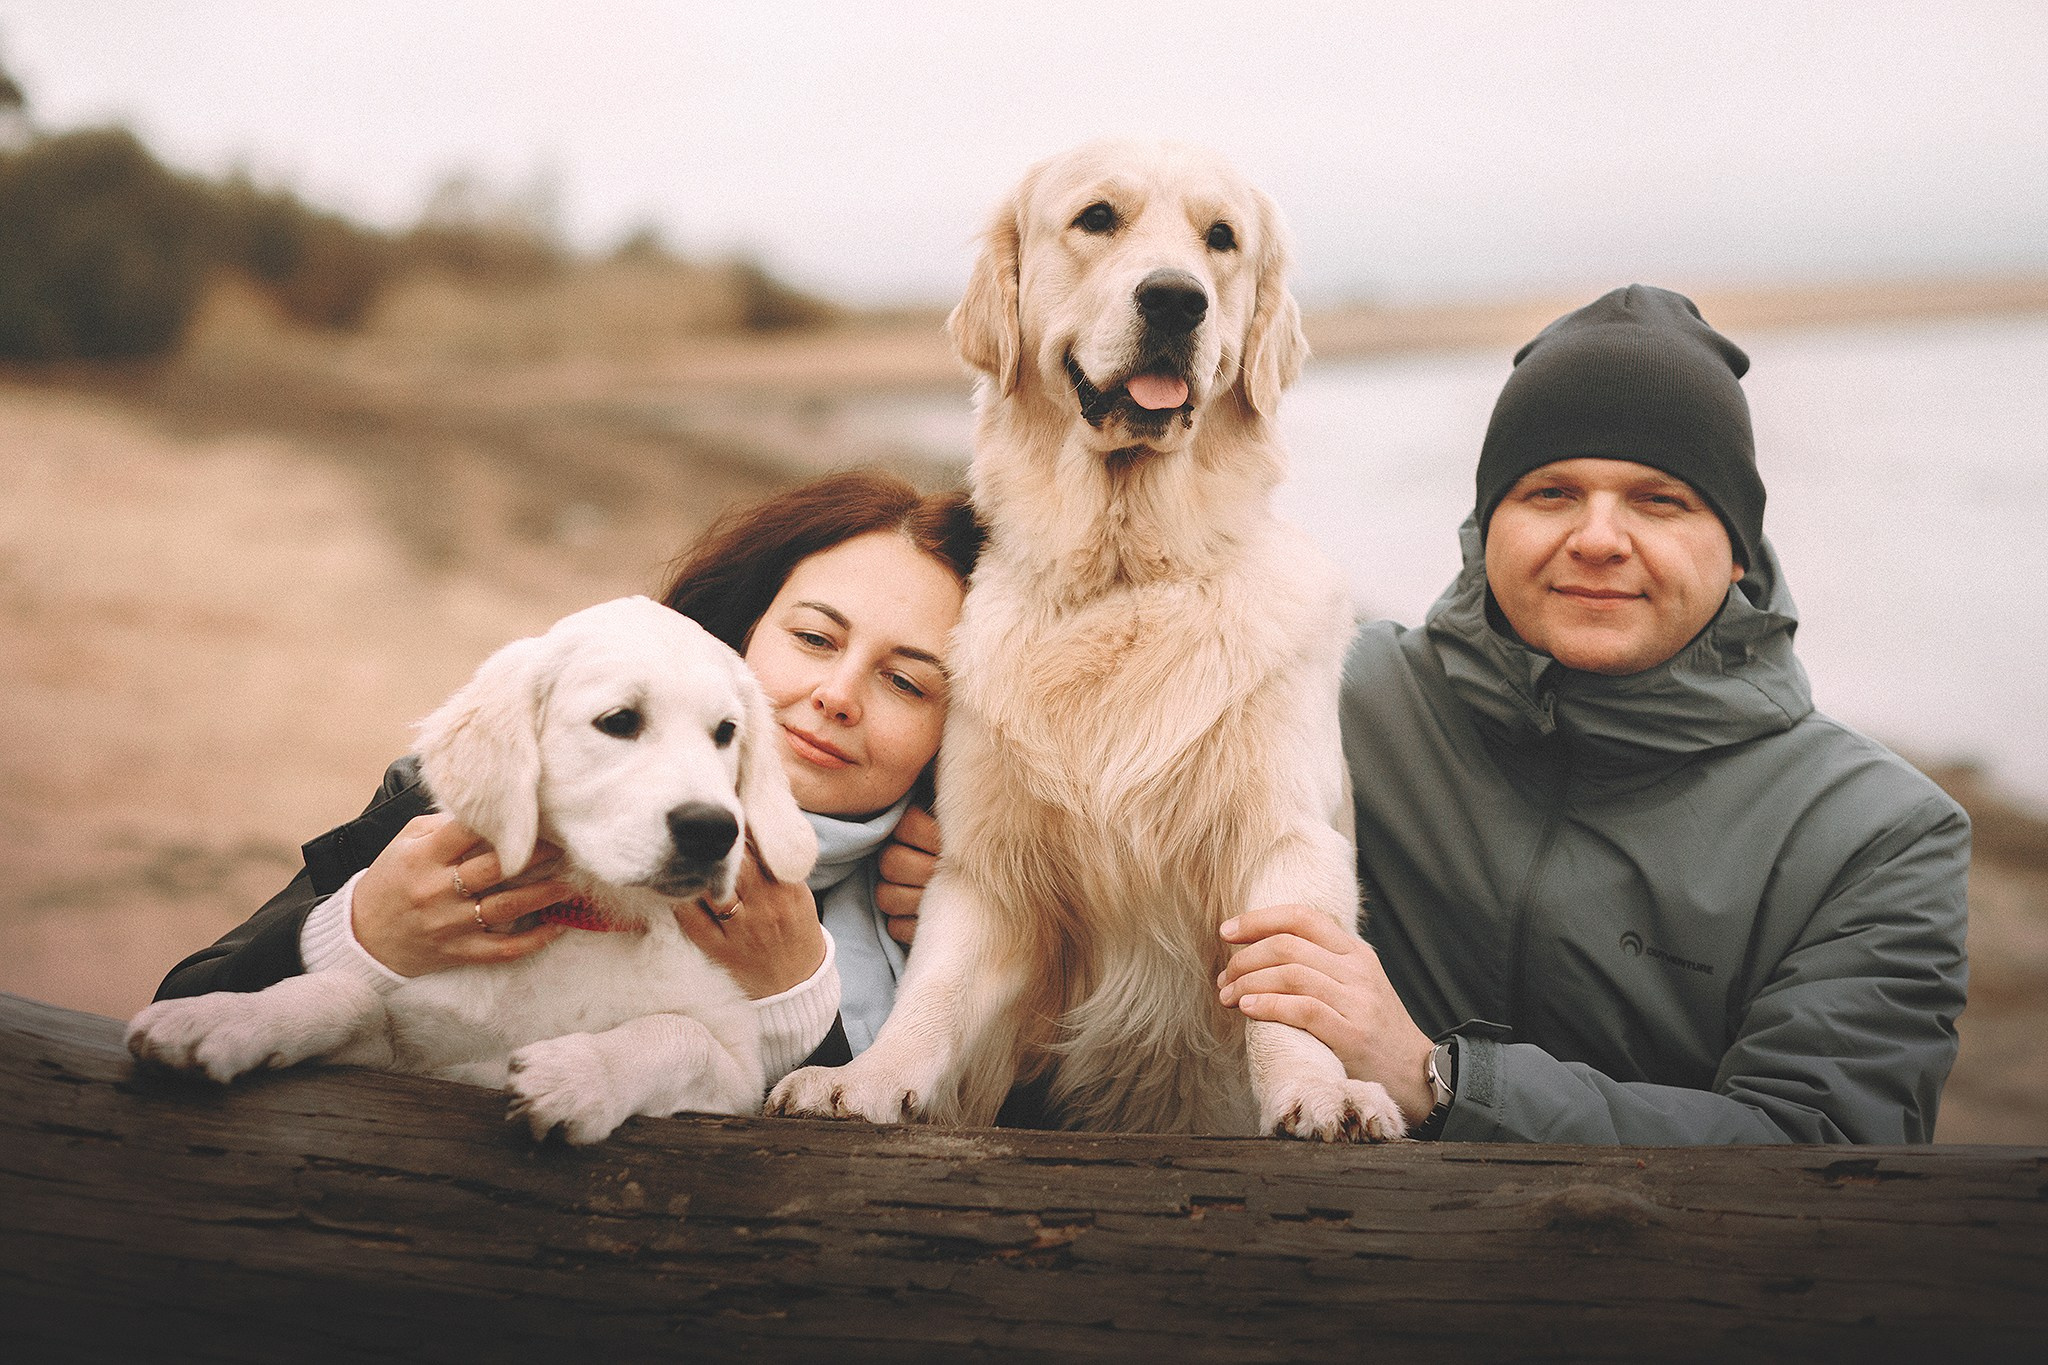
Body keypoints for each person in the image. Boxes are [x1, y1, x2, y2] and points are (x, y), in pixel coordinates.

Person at [1216, 284, 1969, 1144]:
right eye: (1551, 493)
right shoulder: (1337, 696)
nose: (1600, 537)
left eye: (1659, 499)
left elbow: (1824, 1150)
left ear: (1737, 554)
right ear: (1484, 525)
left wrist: (1440, 1077)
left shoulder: (1876, 835)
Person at [153, 470, 982, 1086]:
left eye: (907, 681)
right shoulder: (465, 800)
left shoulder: (971, 914)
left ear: (958, 731)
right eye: (813, 637)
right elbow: (186, 1003)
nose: (838, 696)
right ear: (743, 630)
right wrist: (365, 933)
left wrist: (797, 993)